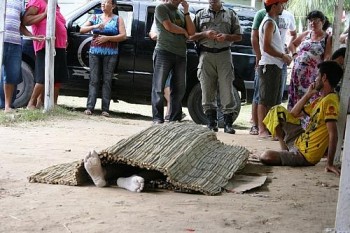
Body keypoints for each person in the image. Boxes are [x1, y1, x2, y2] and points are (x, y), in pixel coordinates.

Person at [259, 61, 343, 176]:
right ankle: (285, 149)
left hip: (304, 155)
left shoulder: (330, 101)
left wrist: (330, 163)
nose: (315, 79)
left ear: (324, 77)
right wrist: (308, 94)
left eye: (318, 75)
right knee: (277, 111)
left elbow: (333, 134)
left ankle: (286, 154)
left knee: (266, 156)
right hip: (299, 140)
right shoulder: (320, 100)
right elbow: (293, 113)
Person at [191, 0, 242, 134]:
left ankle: (228, 124)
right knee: (206, 88)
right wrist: (205, 34)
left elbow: (239, 36)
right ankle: (211, 122)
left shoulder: (230, 14)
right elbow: (190, 36)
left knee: (227, 89)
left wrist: (226, 37)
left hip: (224, 55)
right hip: (206, 55)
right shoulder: (200, 14)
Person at [249, 6, 296, 135]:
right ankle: (262, 129)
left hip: (275, 64)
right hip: (269, 64)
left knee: (273, 100)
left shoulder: (271, 21)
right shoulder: (269, 22)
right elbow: (267, 47)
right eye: (281, 4)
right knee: (264, 99)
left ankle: (270, 128)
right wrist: (283, 55)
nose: (283, 7)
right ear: (274, 6)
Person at [151, 0, 195, 124]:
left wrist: (186, 11)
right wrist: (183, 31)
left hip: (181, 54)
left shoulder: (181, 13)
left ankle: (174, 118)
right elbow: (168, 26)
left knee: (179, 88)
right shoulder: (161, 8)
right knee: (158, 87)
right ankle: (157, 118)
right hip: (164, 51)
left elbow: (192, 32)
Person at [80, 0, 126, 117]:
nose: (103, 4)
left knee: (107, 80)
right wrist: (95, 26)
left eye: (106, 2)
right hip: (94, 52)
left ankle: (105, 109)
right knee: (94, 79)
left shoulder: (118, 19)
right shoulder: (95, 17)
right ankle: (90, 107)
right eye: (102, 2)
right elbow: (82, 29)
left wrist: (108, 38)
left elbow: (123, 35)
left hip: (111, 53)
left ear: (113, 6)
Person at [23, 0, 68, 109]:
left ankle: (50, 104)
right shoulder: (37, 1)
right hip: (44, 44)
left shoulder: (54, 4)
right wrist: (44, 14)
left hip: (59, 45)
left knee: (56, 77)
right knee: (43, 76)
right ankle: (31, 103)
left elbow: (61, 23)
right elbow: (26, 20)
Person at [288, 10, 332, 113]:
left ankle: (306, 127)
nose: (312, 23)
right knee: (295, 101)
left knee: (310, 103)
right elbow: (292, 44)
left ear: (322, 21)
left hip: (312, 77)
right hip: (297, 75)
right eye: (310, 21)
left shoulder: (327, 38)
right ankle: (293, 125)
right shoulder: (307, 34)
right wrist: (295, 55)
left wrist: (320, 75)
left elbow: (327, 57)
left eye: (315, 20)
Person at [0, 0, 33, 113]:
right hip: (1, 40)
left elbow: (21, 25)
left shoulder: (21, 2)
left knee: (12, 74)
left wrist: (32, 36)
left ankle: (8, 106)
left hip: (15, 42)